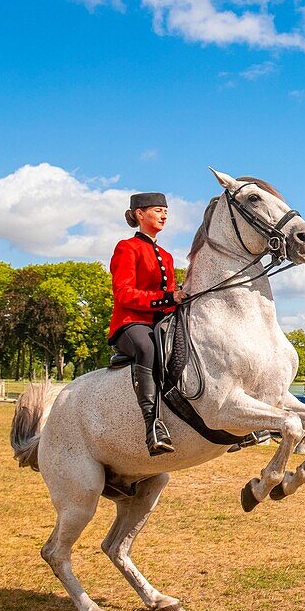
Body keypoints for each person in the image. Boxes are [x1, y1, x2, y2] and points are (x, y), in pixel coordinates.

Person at [107, 192, 185, 456]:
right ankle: (153, 424)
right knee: (148, 347)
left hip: (160, 322)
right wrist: (165, 299)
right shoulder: (126, 248)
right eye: (158, 210)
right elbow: (124, 294)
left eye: (166, 211)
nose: (164, 215)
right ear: (140, 214)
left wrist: (182, 300)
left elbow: (171, 296)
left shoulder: (166, 255)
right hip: (130, 323)